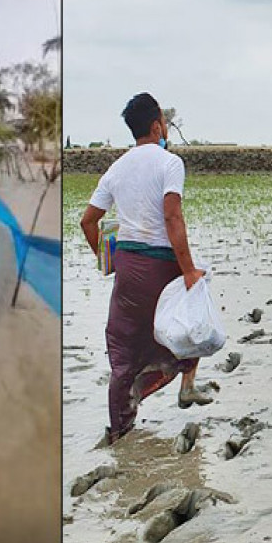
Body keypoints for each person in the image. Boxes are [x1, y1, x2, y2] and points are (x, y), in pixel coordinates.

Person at [79, 92, 211, 445]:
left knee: (123, 348)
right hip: (161, 265)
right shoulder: (170, 163)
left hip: (126, 266)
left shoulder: (117, 168)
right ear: (156, 126)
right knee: (188, 324)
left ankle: (119, 431)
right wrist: (188, 271)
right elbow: (172, 216)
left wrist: (108, 260)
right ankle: (185, 385)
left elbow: (88, 221)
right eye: (164, 123)